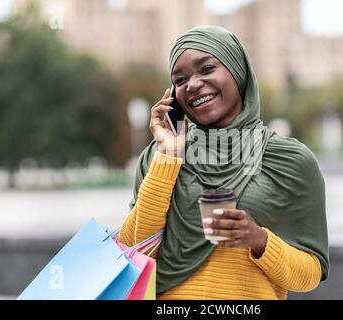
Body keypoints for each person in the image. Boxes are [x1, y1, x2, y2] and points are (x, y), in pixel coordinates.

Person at [118, 25, 329, 300]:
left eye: (206, 69)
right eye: (180, 80)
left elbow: (310, 274)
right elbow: (134, 249)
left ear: (237, 71)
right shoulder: (159, 156)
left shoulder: (290, 160)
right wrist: (168, 157)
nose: (192, 85)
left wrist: (259, 240)